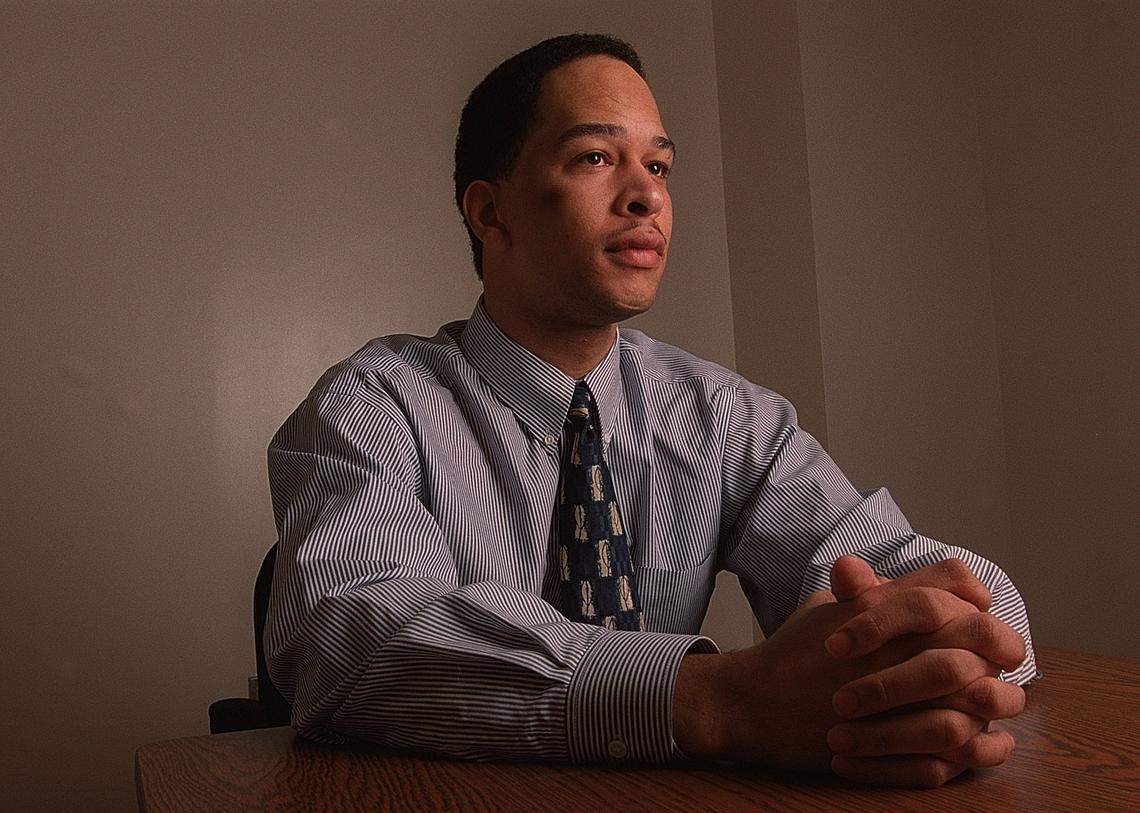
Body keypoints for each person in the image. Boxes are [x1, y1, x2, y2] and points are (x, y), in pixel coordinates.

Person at [265, 33, 1038, 788]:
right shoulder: (372, 403)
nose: (649, 195)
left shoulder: (726, 416)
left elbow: (923, 577)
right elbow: (352, 641)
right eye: (596, 158)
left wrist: (930, 641)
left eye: (659, 164)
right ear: (490, 212)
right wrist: (715, 701)